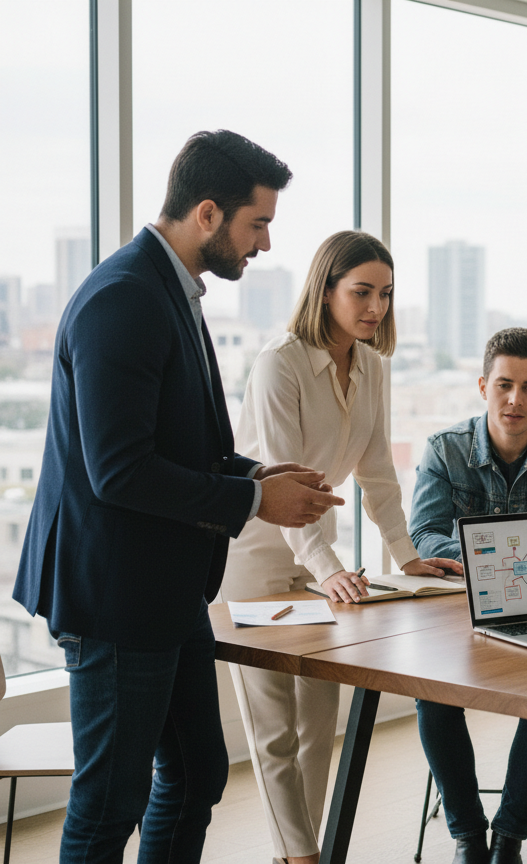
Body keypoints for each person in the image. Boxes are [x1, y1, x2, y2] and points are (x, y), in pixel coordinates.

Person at [12, 130, 345, 863]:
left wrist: (259, 476)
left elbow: (180, 442)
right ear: (206, 213)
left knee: (195, 777)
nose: (262, 245)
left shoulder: (172, 289)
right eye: (256, 224)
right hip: (117, 596)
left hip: (165, 591)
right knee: (109, 805)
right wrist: (255, 506)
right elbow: (120, 470)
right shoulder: (125, 298)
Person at [218, 230, 463, 864]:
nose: (375, 306)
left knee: (318, 723)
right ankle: (301, 857)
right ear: (324, 289)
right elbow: (280, 478)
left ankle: (305, 850)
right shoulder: (281, 362)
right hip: (255, 556)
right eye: (361, 291)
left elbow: (378, 471)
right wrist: (326, 568)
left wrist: (405, 554)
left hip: (316, 557)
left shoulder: (374, 366)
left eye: (384, 293)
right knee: (272, 730)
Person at [407, 327, 527, 864]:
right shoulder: (445, 449)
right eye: (504, 385)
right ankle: (467, 836)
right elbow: (424, 533)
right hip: (461, 613)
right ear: (482, 385)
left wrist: (489, 553)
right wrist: (508, 557)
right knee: (432, 693)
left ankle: (509, 838)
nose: (516, 400)